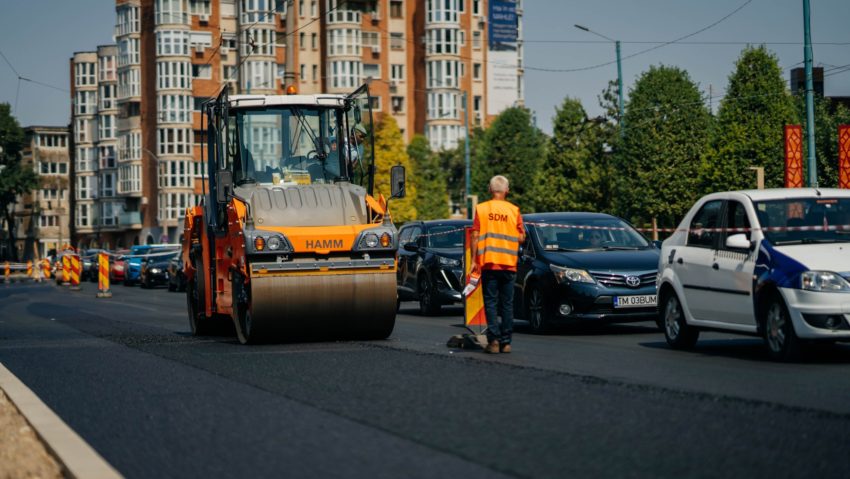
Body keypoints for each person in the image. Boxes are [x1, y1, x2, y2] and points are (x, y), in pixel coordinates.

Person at [470, 175, 525, 354]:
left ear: (490, 189)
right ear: (507, 191)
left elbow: (475, 235)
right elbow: (521, 237)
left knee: (491, 303)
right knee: (507, 304)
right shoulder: (514, 210)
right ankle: (506, 342)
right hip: (509, 264)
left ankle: (493, 341)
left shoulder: (482, 209)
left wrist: (473, 261)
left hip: (489, 263)